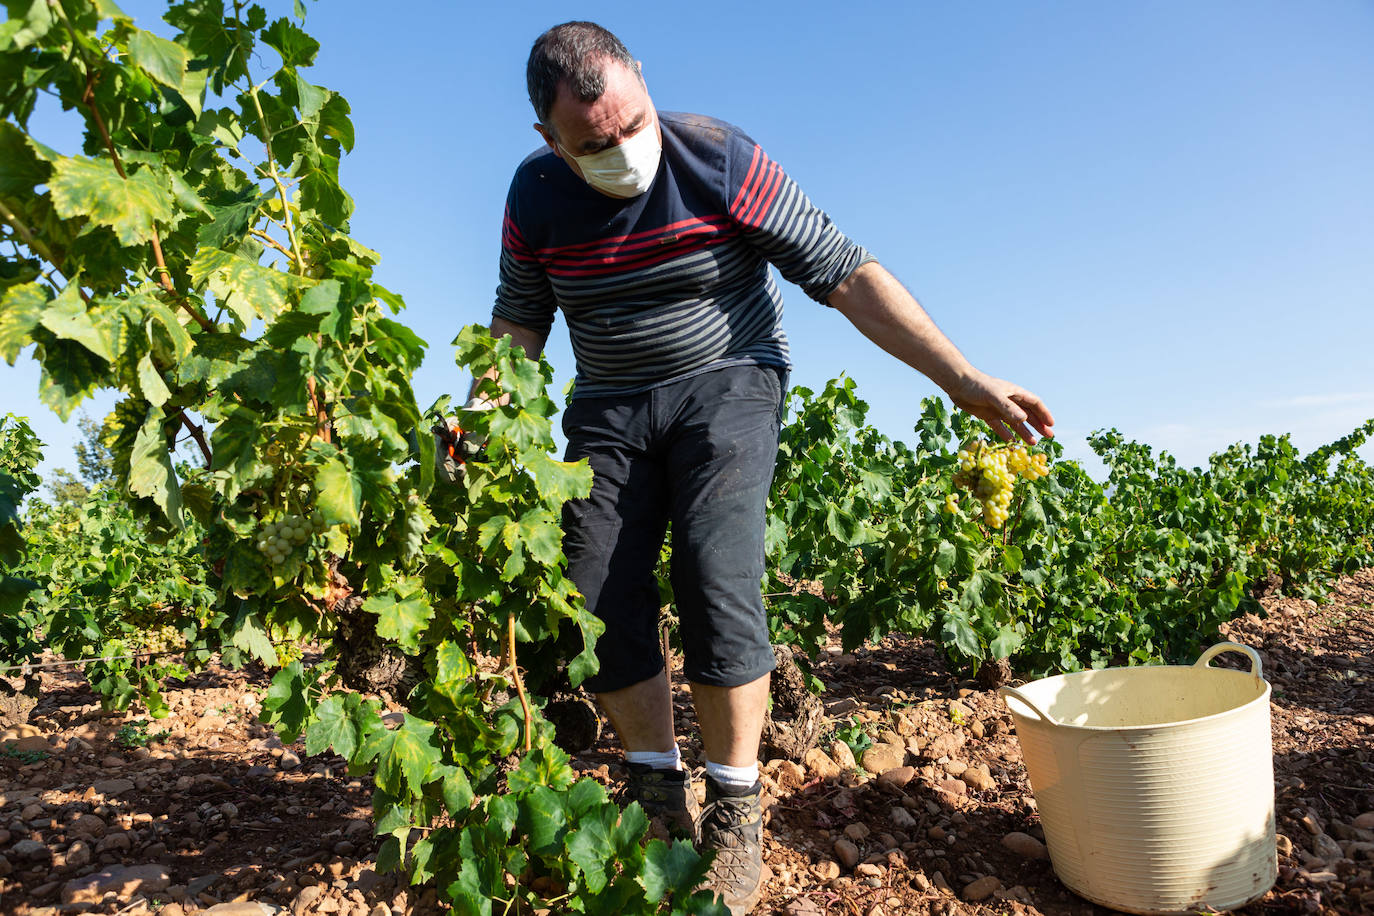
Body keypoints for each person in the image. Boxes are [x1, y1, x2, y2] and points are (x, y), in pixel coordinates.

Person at [470, 21, 1055, 915]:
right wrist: (480, 420)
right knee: (592, 589)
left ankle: (736, 807)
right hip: (611, 401)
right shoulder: (536, 193)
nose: (626, 150)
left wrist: (963, 380)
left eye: (634, 123)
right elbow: (518, 323)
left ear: (642, 87)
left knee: (716, 574)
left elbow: (845, 271)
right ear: (550, 140)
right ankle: (657, 788)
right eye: (597, 144)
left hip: (729, 376)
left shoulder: (716, 155)